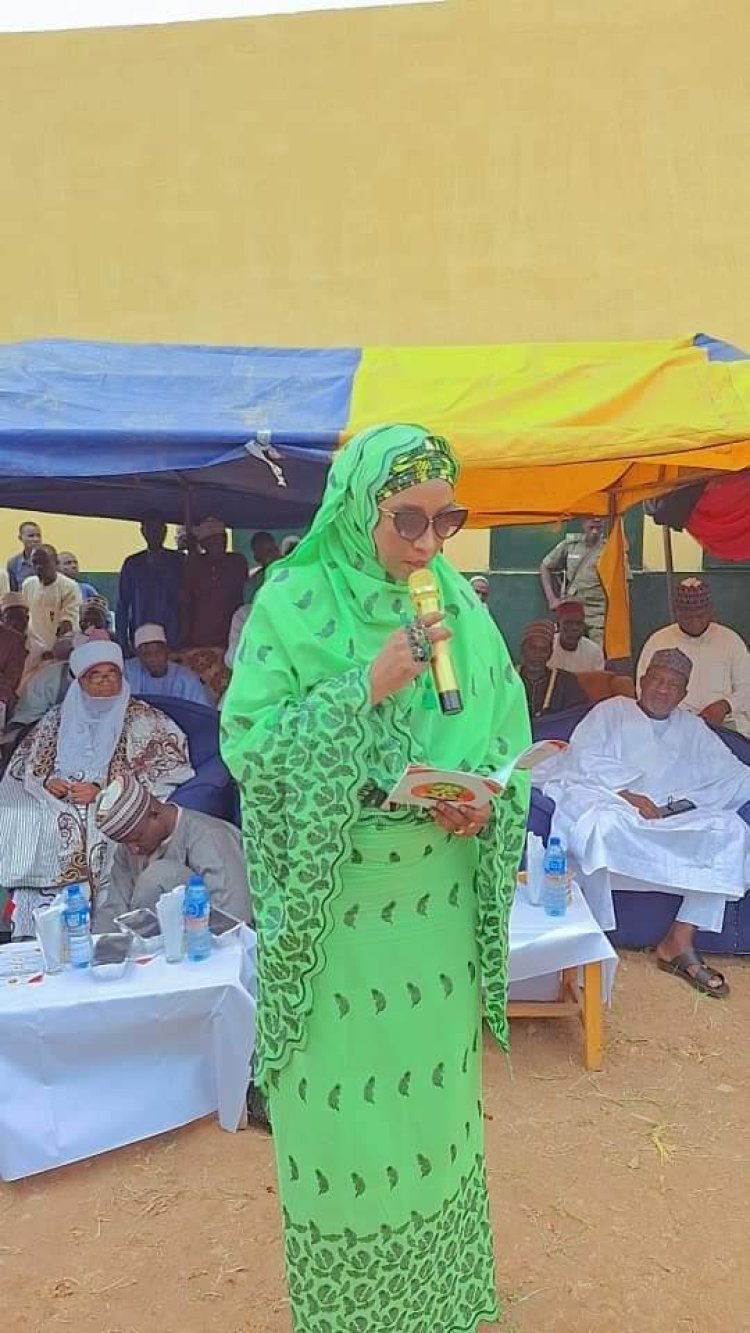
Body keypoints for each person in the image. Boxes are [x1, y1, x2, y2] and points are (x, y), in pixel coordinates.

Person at [221, 424, 531, 1333]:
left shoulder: (462, 611)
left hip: (431, 912)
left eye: (449, 519)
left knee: (433, 1121)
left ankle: (440, 1302)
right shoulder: (293, 599)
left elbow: (502, 726)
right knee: (342, 1127)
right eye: (409, 520)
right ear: (361, 509)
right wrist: (365, 683)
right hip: (339, 917)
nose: (431, 544)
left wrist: (482, 799)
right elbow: (251, 749)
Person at [540, 648, 750, 999]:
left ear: (684, 694)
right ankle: (592, 942)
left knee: (730, 833)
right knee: (598, 826)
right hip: (618, 806)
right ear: (642, 682)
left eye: (674, 685)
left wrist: (679, 807)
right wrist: (628, 795)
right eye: (657, 680)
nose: (663, 690)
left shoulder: (692, 727)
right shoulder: (611, 712)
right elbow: (583, 757)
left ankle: (679, 942)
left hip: (670, 820)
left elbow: (733, 775)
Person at [0, 636, 194, 938]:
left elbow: (166, 765)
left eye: (111, 674)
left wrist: (104, 790)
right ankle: (38, 925)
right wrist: (47, 783)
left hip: (110, 797)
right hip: (58, 796)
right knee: (25, 816)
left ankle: (102, 925)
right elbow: (29, 763)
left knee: (98, 821)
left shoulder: (143, 717)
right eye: (96, 676)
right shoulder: (56, 717)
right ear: (80, 682)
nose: (105, 683)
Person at [92, 773, 252, 931]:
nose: (133, 849)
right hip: (152, 950)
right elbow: (114, 911)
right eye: (125, 843)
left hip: (207, 945)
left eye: (137, 838)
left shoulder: (212, 837)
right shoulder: (128, 848)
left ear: (154, 814)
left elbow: (235, 922)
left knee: (159, 876)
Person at [637, 577, 750, 736]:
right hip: (674, 724)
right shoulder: (659, 641)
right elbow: (645, 690)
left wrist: (724, 706)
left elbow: (747, 688)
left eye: (700, 616)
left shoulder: (730, 640)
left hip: (725, 723)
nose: (695, 622)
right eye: (688, 617)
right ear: (676, 613)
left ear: (711, 610)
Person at [117, 513, 183, 654]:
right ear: (143, 531)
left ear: (165, 531)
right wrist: (122, 640)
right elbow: (123, 604)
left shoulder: (178, 560)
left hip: (173, 634)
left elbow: (187, 599)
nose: (155, 533)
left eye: (159, 529)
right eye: (150, 529)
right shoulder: (132, 563)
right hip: (141, 632)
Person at [180, 518, 248, 650]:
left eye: (223, 541)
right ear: (204, 544)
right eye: (214, 542)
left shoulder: (236, 562)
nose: (220, 546)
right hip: (200, 638)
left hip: (231, 635)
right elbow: (185, 603)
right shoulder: (194, 565)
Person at [539, 517, 606, 644]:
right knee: (567, 650)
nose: (595, 532)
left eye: (598, 528)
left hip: (597, 614)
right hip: (572, 609)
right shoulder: (571, 545)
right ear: (584, 523)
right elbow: (545, 566)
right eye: (591, 527)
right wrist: (552, 599)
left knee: (596, 653)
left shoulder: (609, 548)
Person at [124, 623, 215, 706]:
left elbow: (202, 712)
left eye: (158, 652)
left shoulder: (187, 679)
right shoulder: (129, 673)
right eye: (146, 654)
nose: (153, 659)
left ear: (167, 652)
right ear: (139, 657)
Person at [518, 620, 588, 718]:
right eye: (532, 648)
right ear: (522, 649)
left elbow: (578, 713)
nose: (537, 655)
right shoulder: (507, 678)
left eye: (543, 650)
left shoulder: (566, 681)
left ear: (550, 653)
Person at [22, 543, 81, 655]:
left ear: (56, 563)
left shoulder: (69, 587)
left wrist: (53, 651)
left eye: (44, 562)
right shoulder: (28, 585)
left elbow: (67, 624)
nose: (39, 567)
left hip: (60, 650)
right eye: (35, 562)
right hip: (33, 650)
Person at [549, 599, 606, 673]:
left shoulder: (594, 652)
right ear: (558, 625)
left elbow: (598, 682)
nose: (574, 628)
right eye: (568, 623)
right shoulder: (546, 647)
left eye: (579, 623)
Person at [7, 520, 42, 592]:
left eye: (38, 535)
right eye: (31, 536)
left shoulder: (50, 559)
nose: (36, 539)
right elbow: (13, 592)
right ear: (20, 538)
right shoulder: (13, 563)